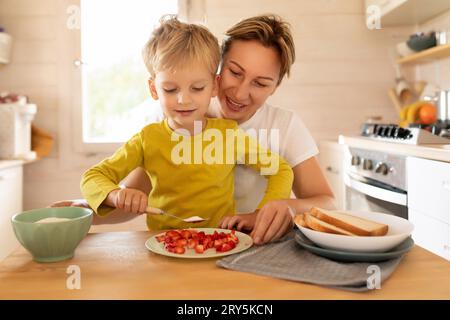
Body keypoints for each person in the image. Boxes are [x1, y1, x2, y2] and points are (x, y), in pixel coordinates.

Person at [52, 14, 335, 244]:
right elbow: (138, 198)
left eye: (260, 83)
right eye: (235, 72)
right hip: (177, 247)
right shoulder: (173, 121)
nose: (240, 91)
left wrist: (282, 207)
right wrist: (87, 210)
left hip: (251, 248)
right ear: (218, 72)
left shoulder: (283, 126)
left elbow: (326, 203)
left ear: (275, 87)